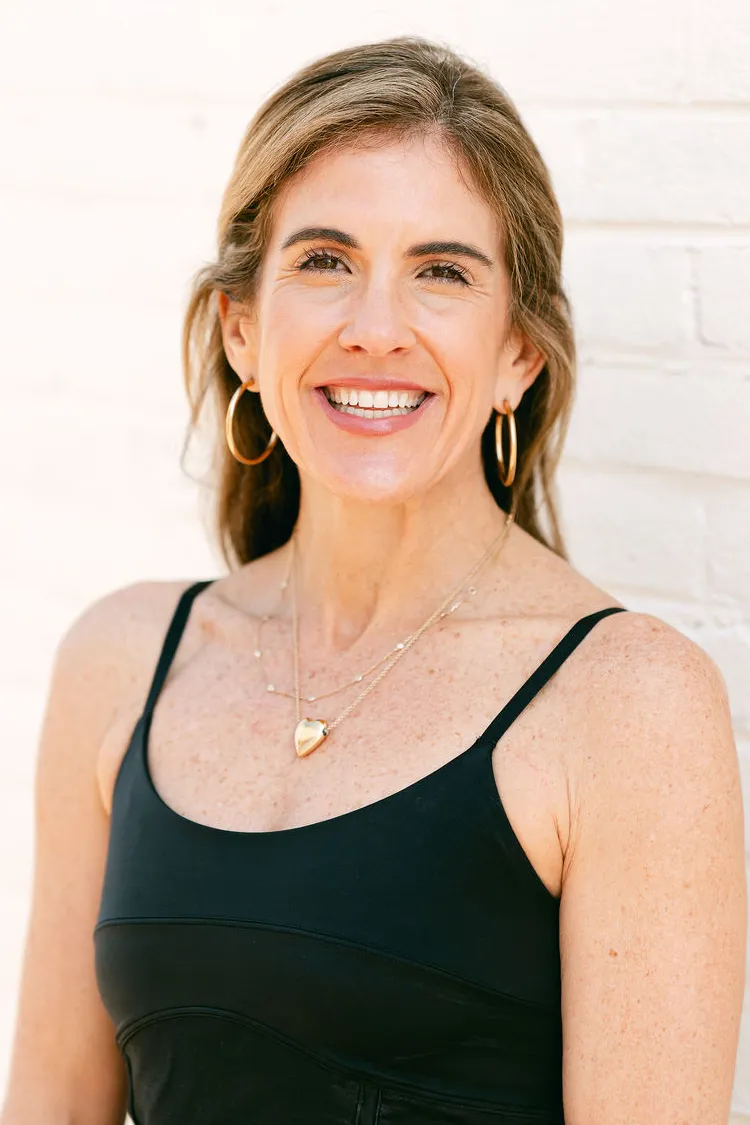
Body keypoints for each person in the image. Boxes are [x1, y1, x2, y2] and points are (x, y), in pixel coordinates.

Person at [2, 35, 746, 1125]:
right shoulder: (120, 661)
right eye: (324, 261)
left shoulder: (628, 705)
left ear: (518, 355)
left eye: (441, 272)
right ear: (243, 330)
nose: (377, 329)